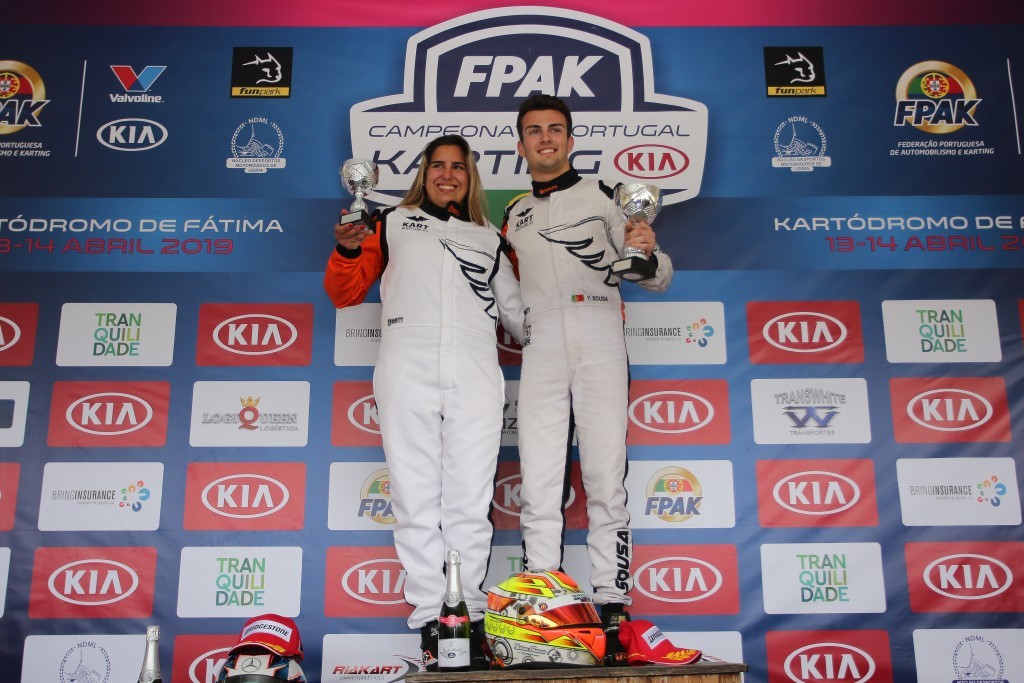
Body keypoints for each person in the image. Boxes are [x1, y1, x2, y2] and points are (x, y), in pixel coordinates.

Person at [324, 135, 525, 670]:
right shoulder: (389, 222)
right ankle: (431, 622)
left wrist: (578, 307)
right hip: (405, 364)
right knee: (415, 498)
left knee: (469, 500)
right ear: (423, 173)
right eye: (438, 165)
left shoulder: (491, 238)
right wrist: (348, 249)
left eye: (458, 167)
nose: (447, 174)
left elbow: (519, 319)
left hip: (475, 367)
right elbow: (345, 292)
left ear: (470, 177)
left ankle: (468, 616)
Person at [500, 94, 673, 665]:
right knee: (540, 483)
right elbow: (503, 289)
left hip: (600, 332)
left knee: (604, 479)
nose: (545, 139)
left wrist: (649, 252)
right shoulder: (514, 213)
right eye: (534, 131)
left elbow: (654, 273)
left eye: (555, 129)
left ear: (571, 140)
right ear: (521, 145)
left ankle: (613, 604)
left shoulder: (606, 194)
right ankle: (541, 606)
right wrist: (524, 325)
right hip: (543, 346)